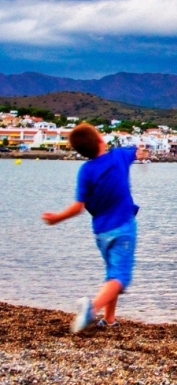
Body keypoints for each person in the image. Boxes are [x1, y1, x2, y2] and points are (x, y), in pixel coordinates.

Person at [42, 123, 148, 333]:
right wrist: (141, 149)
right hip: (123, 228)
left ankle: (109, 319)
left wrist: (57, 218)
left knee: (111, 272)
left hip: (101, 232)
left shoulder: (86, 170)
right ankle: (91, 310)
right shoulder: (118, 156)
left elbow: (78, 207)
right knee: (120, 276)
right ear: (101, 140)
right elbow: (136, 151)